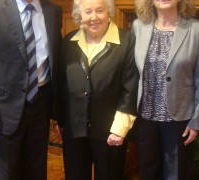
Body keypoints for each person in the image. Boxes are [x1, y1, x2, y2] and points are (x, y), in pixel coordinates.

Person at [0, 0, 62, 179]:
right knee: (8, 172)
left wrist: (58, 112)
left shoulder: (53, 11)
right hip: (5, 109)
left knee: (37, 169)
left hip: (41, 104)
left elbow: (55, 61)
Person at [58, 0, 139, 179]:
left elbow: (131, 87)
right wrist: (62, 121)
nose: (94, 17)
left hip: (110, 131)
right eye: (88, 12)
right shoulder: (68, 42)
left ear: (108, 12)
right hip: (75, 130)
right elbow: (61, 84)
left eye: (99, 11)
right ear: (80, 16)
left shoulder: (127, 41)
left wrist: (120, 129)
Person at [131, 0, 199, 179]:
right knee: (147, 172)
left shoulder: (197, 29)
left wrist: (197, 121)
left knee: (176, 174)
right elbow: (133, 73)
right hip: (145, 118)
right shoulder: (138, 26)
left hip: (179, 119)